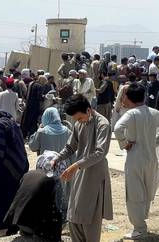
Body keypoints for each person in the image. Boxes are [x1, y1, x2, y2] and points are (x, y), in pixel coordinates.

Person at [114, 83, 159, 240]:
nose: (123, 99)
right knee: (147, 190)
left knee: (134, 193)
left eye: (125, 96)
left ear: (130, 97)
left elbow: (117, 128)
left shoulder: (131, 114)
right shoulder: (153, 112)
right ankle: (141, 223)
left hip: (135, 158)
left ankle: (139, 227)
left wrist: (124, 143)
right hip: (151, 158)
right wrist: (155, 142)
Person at [50, 94, 113, 242]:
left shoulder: (102, 124)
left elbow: (100, 153)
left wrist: (76, 165)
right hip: (80, 173)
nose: (77, 122)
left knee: (90, 216)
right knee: (74, 215)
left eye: (79, 118)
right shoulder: (79, 124)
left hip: (95, 174)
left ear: (88, 110)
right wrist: (57, 158)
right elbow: (71, 146)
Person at [4, 170, 63, 242]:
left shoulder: (29, 174)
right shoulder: (54, 180)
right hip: (34, 226)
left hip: (17, 220)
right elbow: (59, 205)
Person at [21, 73, 44, 138]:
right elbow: (39, 97)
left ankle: (24, 134)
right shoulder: (39, 86)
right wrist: (43, 97)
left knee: (27, 120)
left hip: (28, 104)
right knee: (33, 121)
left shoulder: (31, 84)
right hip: (35, 106)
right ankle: (32, 136)